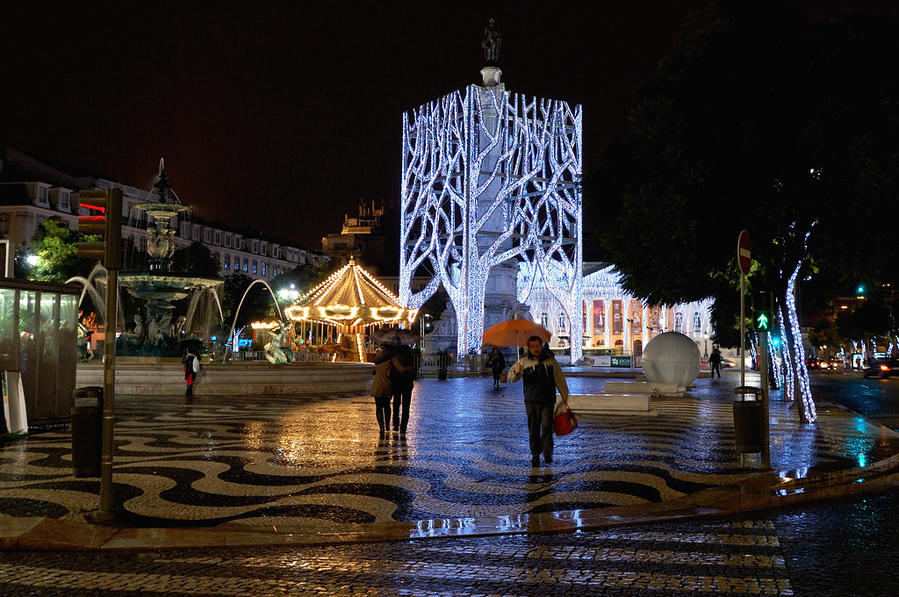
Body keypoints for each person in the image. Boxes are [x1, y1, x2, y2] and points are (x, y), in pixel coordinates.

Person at [508, 336, 569, 467]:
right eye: (533, 346)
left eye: (537, 346)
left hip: (547, 399)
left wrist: (564, 394)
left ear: (541, 346)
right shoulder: (523, 362)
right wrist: (516, 372)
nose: (535, 349)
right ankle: (535, 453)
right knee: (534, 428)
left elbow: (559, 378)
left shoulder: (550, 361)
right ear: (529, 348)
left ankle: (547, 452)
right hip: (531, 400)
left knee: (547, 426)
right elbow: (511, 378)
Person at [372, 345, 397, 438]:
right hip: (386, 384)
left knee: (378, 407)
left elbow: (374, 372)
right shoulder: (391, 360)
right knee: (387, 406)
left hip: (377, 384)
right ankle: (387, 426)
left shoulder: (378, 359)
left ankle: (381, 427)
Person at [390, 345, 416, 435]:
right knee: (406, 406)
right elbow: (413, 367)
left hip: (397, 382)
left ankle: (396, 424)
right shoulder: (410, 353)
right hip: (407, 382)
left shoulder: (394, 353)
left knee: (396, 403)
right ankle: (403, 426)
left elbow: (397, 368)